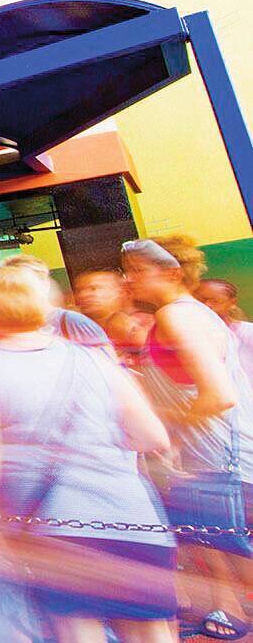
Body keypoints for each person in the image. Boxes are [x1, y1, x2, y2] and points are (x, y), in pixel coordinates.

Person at [0, 266, 177, 643]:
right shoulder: (91, 358)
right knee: (150, 632)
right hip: (131, 516)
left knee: (78, 631)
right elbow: (151, 436)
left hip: (52, 525)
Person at [122, 236, 253, 640]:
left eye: (137, 271)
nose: (128, 280)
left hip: (220, 456)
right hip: (214, 455)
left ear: (173, 272)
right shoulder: (191, 314)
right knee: (213, 545)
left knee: (229, 545)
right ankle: (228, 608)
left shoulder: (179, 317)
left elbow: (218, 396)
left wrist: (162, 424)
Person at [0, 255, 115, 357]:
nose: (19, 292)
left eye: (26, 284)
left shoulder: (72, 322)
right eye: (11, 286)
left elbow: (109, 366)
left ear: (45, 284)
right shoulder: (13, 329)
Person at [74, 268, 152, 368]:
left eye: (94, 288)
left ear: (121, 292)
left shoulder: (143, 323)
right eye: (79, 290)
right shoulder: (78, 331)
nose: (83, 295)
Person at [196, 278, 253, 383]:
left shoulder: (248, 332)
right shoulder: (191, 334)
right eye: (200, 301)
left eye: (215, 301)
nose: (207, 305)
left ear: (232, 302)